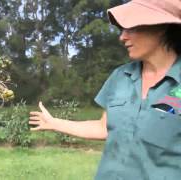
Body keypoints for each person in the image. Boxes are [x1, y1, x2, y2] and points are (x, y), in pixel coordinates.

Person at [29, 0, 181, 179]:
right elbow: (104, 127)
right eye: (122, 30)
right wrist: (55, 123)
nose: (122, 37)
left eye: (130, 28)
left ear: (160, 27)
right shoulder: (120, 76)